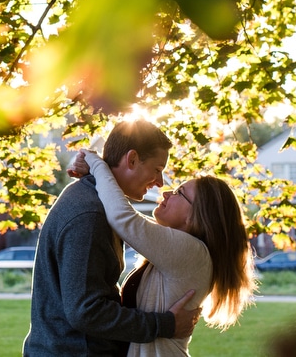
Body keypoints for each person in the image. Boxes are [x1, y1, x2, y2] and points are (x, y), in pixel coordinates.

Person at [23, 120, 201, 356]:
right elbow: (87, 311)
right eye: (157, 169)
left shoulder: (95, 201)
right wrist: (165, 324)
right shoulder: (91, 214)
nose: (160, 183)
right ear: (132, 159)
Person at [69, 149, 256, 357]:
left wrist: (95, 163)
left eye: (179, 193)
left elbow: (122, 218)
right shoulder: (183, 248)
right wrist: (95, 169)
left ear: (196, 216)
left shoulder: (191, 251)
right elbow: (123, 214)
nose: (166, 193)